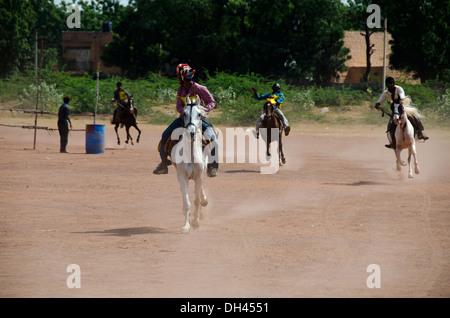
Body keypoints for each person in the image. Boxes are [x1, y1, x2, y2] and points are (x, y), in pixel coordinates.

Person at [153, 63, 219, 177]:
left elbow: (212, 101)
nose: (188, 81)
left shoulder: (199, 88)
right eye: (186, 78)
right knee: (165, 135)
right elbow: (178, 106)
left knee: (214, 142)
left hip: (198, 120)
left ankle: (212, 167)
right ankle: (164, 164)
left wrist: (203, 111)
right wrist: (185, 112)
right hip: (183, 119)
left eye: (188, 78)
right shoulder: (180, 90)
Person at [375, 77, 429, 149]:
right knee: (390, 124)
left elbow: (402, 98)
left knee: (416, 118)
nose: (390, 85)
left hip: (402, 109)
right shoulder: (386, 93)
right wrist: (378, 105)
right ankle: (392, 142)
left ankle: (420, 133)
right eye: (388, 84)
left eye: (391, 84)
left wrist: (394, 102)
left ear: (393, 83)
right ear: (387, 85)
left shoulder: (399, 89)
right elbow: (380, 100)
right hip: (395, 111)